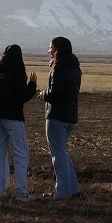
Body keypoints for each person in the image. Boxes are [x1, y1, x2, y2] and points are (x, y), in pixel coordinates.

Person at [0, 44, 37, 201]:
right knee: (21, 153)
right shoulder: (17, 73)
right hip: (13, 118)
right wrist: (32, 85)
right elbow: (22, 96)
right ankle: (21, 192)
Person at [38, 36, 82, 199]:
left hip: (56, 115)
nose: (49, 51)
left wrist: (42, 95)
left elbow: (56, 93)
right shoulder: (74, 67)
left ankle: (62, 192)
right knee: (63, 153)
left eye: (51, 48)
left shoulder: (58, 68)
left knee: (58, 155)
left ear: (57, 49)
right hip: (70, 115)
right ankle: (73, 189)